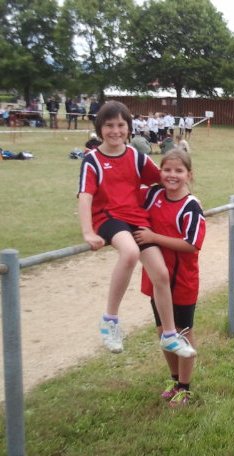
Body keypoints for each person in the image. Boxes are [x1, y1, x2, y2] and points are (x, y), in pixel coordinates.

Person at [77, 101, 196, 358]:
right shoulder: (92, 160)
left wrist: (187, 197)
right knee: (130, 252)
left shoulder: (136, 156)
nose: (115, 131)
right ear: (99, 128)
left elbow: (164, 178)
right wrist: (88, 232)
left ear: (129, 128)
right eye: (109, 125)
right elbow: (85, 196)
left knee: (161, 274)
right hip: (108, 217)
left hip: (135, 217)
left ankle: (169, 335)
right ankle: (110, 321)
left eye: (121, 125)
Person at [133, 148, 206, 408]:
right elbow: (127, 193)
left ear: (189, 174)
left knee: (182, 333)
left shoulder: (191, 206)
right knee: (163, 331)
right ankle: (174, 381)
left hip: (182, 281)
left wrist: (153, 237)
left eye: (178, 170)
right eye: (166, 169)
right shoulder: (153, 194)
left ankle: (185, 388)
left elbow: (192, 244)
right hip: (156, 279)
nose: (172, 175)